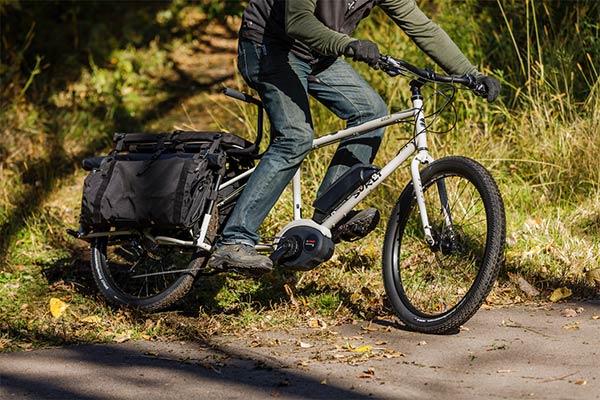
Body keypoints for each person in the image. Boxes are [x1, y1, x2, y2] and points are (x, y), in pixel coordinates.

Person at [210, 0, 501, 275]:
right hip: (268, 44)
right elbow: (297, 21)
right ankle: (233, 240)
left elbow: (422, 27)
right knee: (295, 136)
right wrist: (349, 45)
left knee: (371, 112)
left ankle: (330, 215)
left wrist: (471, 74)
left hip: (315, 53)